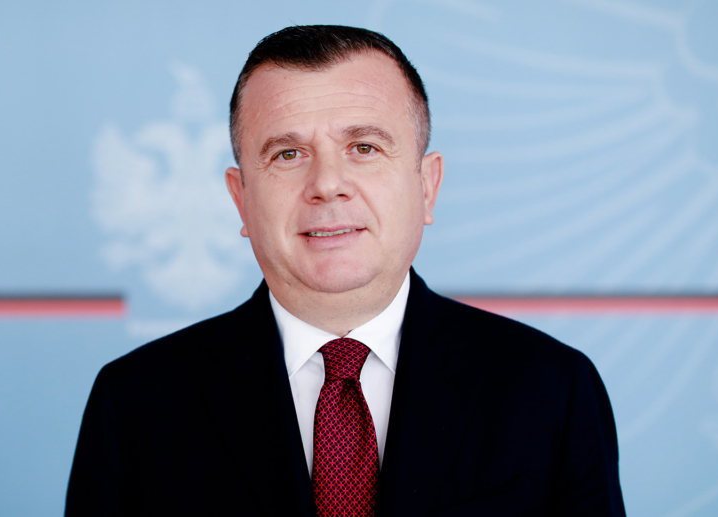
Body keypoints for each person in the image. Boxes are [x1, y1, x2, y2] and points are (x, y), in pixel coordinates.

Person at [66, 25, 624, 517]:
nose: (327, 184)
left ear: (427, 186)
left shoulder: (552, 389)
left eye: (364, 147)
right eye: (287, 154)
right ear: (241, 199)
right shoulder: (136, 402)